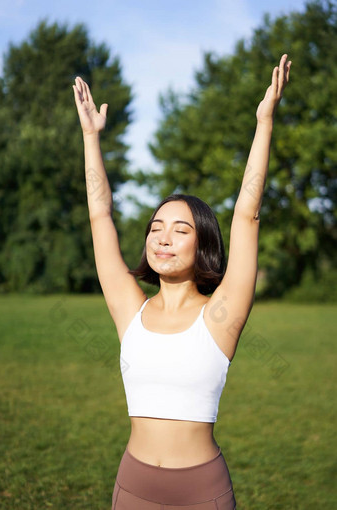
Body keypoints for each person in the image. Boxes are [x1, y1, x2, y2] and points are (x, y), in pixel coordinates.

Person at [73, 54, 291, 509]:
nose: (163, 237)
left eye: (180, 229)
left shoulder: (220, 316)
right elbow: (99, 214)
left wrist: (264, 123)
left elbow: (248, 214)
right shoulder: (129, 309)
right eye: (155, 227)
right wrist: (92, 138)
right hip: (132, 486)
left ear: (204, 244)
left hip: (202, 492)